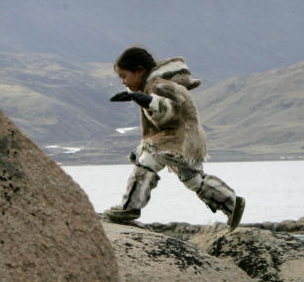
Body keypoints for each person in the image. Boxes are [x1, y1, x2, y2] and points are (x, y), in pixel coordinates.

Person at [103, 46, 245, 230]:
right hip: (185, 140)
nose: (123, 82)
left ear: (139, 71)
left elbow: (171, 110)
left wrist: (146, 100)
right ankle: (231, 204)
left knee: (147, 163)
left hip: (176, 139)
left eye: (124, 76)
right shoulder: (152, 85)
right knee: (193, 180)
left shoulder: (158, 85)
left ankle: (130, 207)